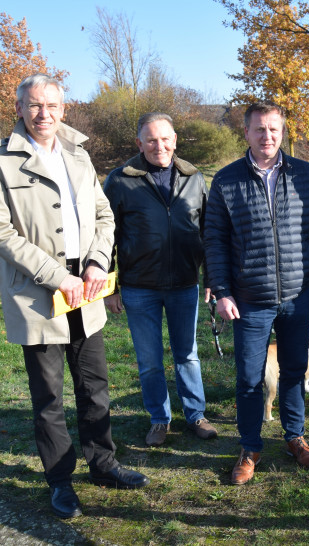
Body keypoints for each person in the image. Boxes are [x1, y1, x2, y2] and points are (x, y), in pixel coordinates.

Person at [0, 73, 150, 519]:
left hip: (86, 287)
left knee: (95, 386)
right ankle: (61, 481)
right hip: (37, 293)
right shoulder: (4, 162)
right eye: (33, 105)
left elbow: (104, 215)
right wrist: (54, 275)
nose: (43, 113)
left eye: (51, 105)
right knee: (49, 397)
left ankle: (103, 463)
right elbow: (3, 233)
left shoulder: (78, 155)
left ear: (64, 109)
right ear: (20, 108)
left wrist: (97, 262)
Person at [205, 100, 309, 485]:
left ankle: (295, 437)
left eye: (274, 129)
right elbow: (213, 240)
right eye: (259, 129)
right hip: (248, 298)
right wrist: (223, 291)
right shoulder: (226, 180)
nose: (267, 136)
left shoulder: (305, 174)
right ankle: (250, 446)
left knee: (295, 370)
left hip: (297, 295)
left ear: (283, 132)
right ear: (246, 133)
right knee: (249, 377)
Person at [103, 113, 217, 447]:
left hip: (184, 283)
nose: (159, 146)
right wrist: (111, 286)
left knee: (188, 355)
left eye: (165, 139)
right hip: (140, 287)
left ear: (175, 140)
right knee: (150, 361)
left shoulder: (193, 177)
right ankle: (159, 419)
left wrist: (212, 277)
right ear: (139, 143)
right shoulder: (120, 180)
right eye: (151, 140)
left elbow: (209, 231)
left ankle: (196, 415)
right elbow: (104, 235)